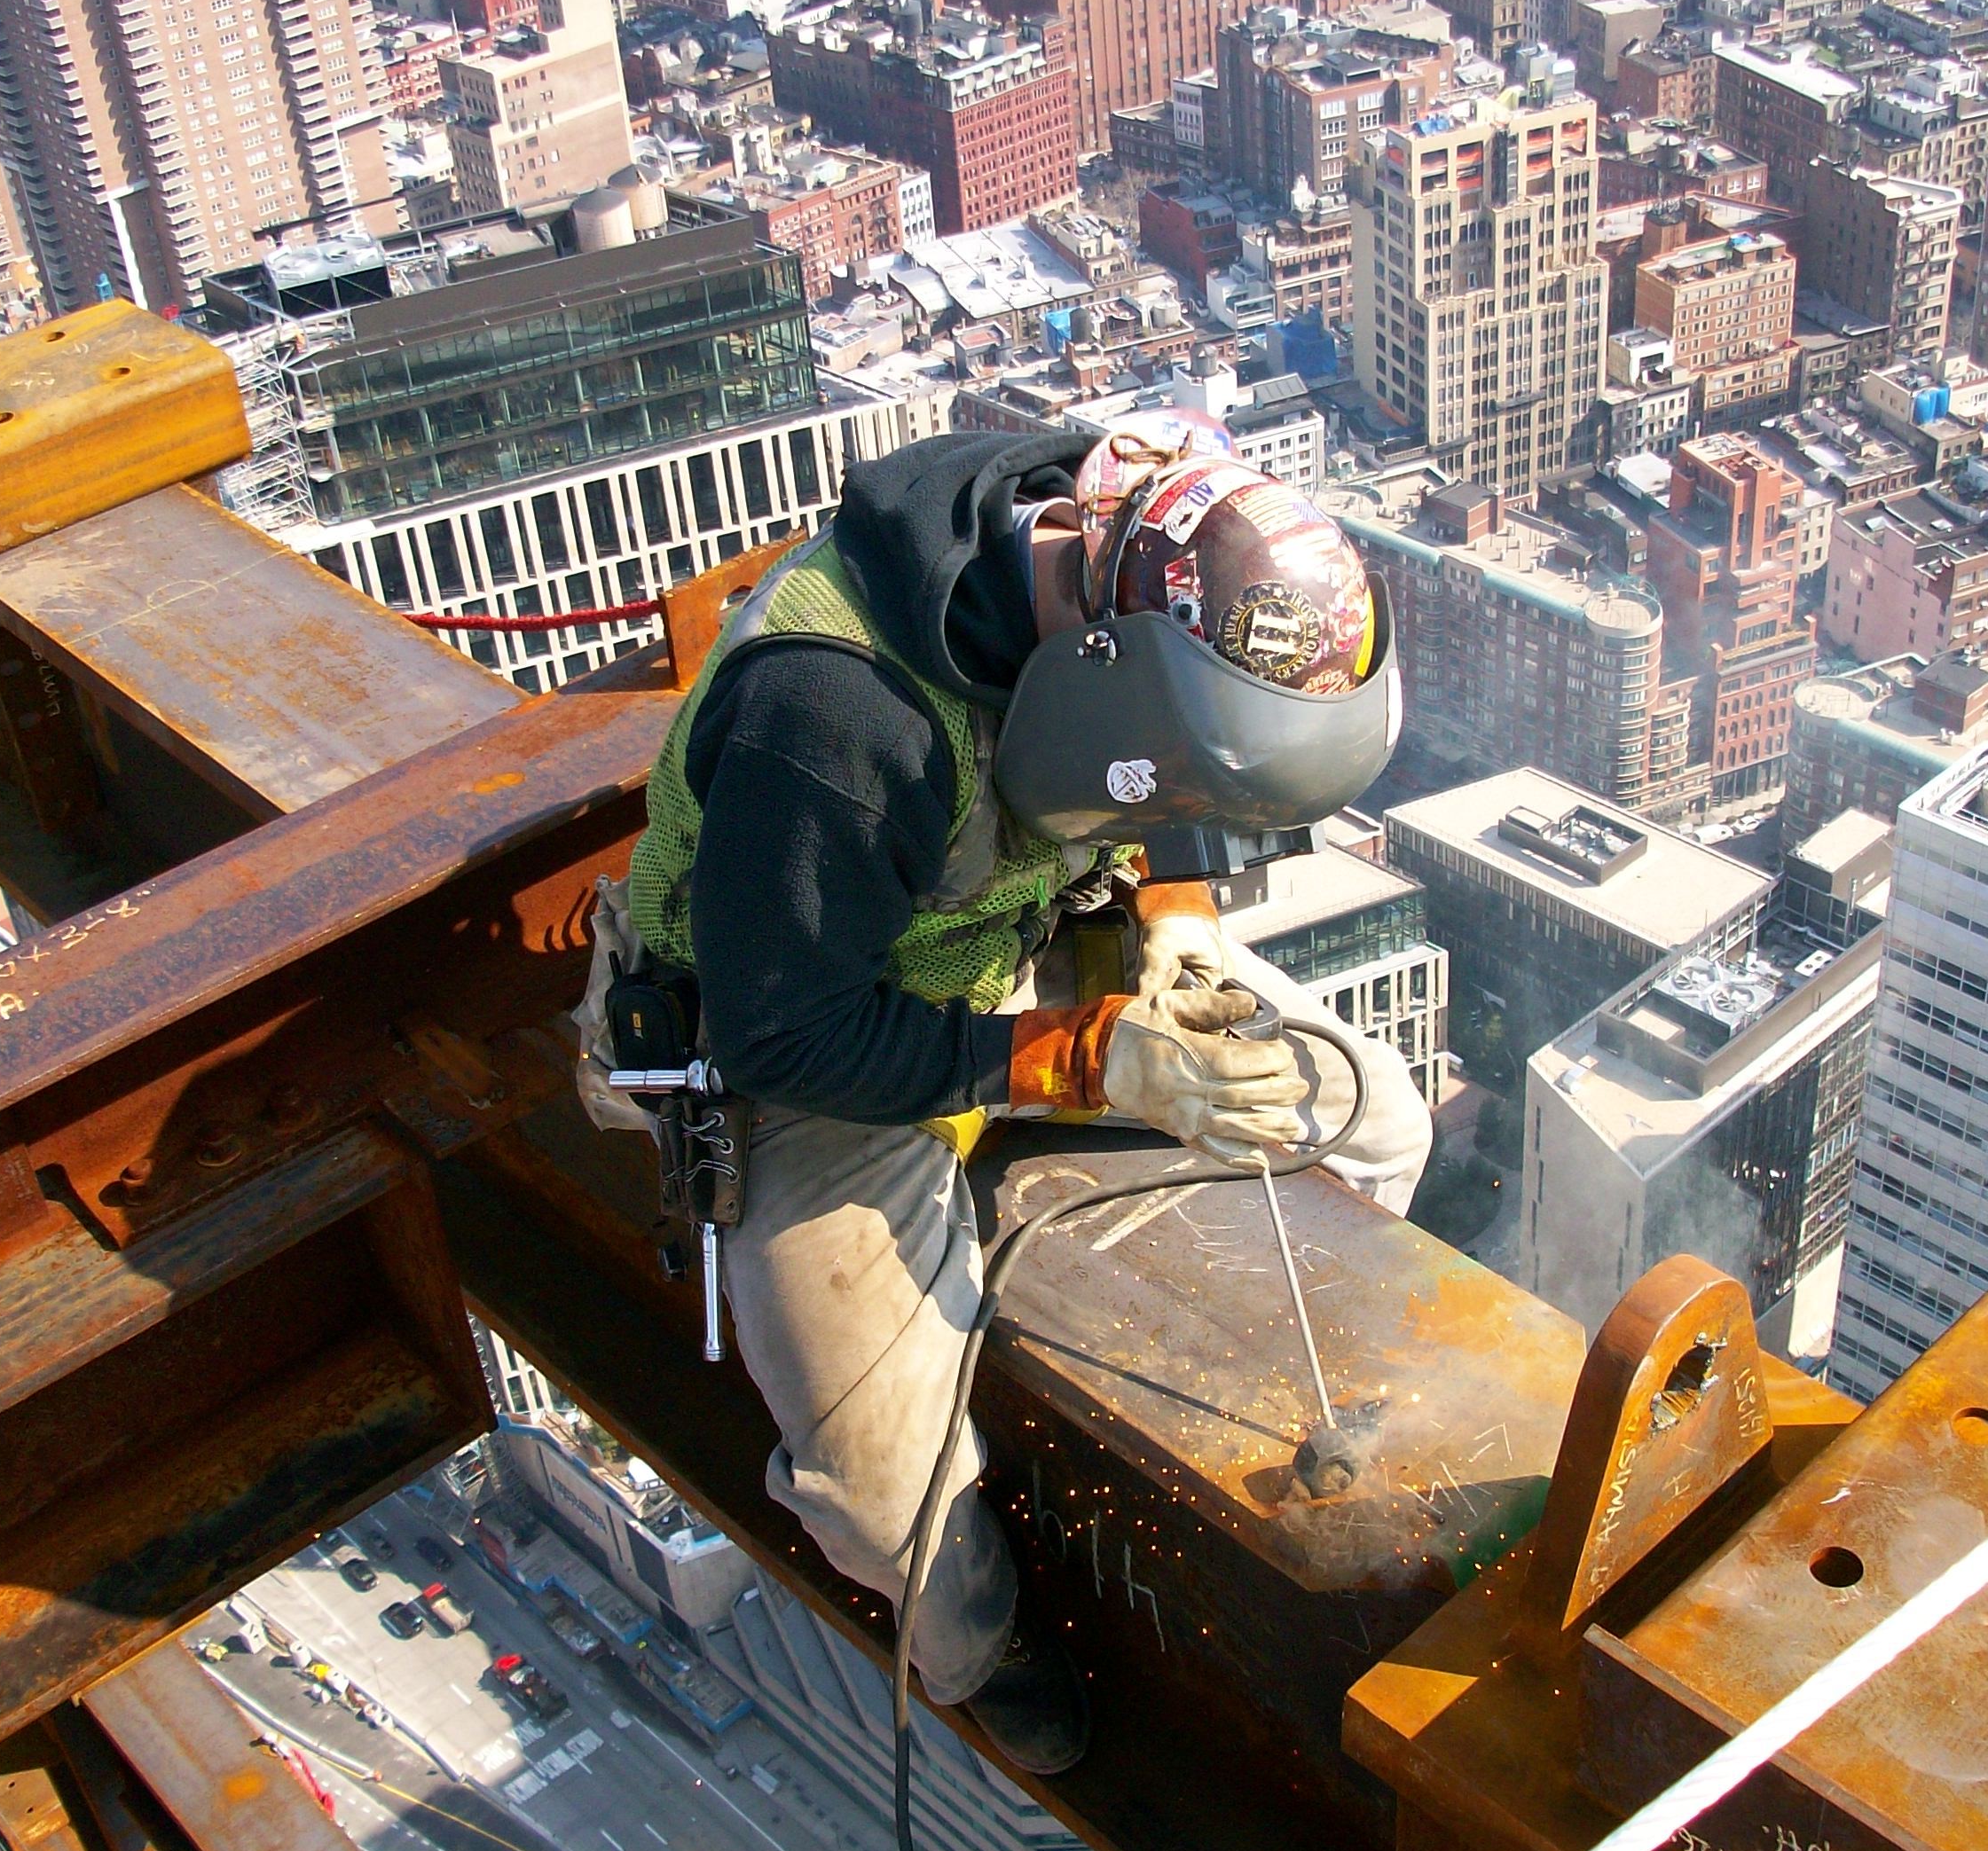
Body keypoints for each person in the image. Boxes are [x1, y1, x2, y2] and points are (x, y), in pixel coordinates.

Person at [604, 428, 1431, 1776]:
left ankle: (1235, 1377)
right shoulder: (835, 717)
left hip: (1019, 935)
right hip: (821, 1028)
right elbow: (779, 1033)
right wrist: (1085, 1061)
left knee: (1372, 1115)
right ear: (1107, 678)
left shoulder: (1115, 558)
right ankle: (979, 1648)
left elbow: (1160, 786)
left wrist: (1173, 921)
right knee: (880, 1494)